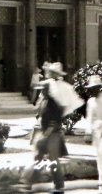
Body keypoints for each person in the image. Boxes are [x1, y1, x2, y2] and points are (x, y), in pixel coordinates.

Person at [23, 62, 82, 194]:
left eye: (44, 88)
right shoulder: (45, 100)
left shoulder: (54, 103)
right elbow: (39, 114)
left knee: (52, 159)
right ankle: (29, 183)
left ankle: (57, 185)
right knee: (38, 157)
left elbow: (54, 121)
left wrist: (46, 134)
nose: (42, 90)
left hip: (52, 133)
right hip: (45, 131)